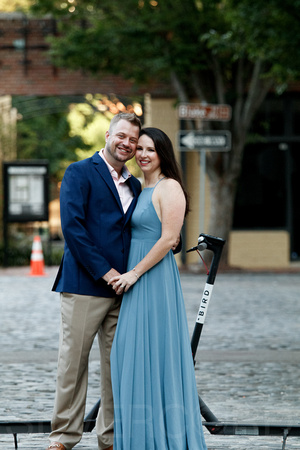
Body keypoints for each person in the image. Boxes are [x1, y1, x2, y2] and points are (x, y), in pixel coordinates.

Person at [46, 112, 142, 450]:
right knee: (74, 363)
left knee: (118, 367)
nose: (127, 144)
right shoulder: (80, 172)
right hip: (85, 285)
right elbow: (72, 229)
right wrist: (107, 272)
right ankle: (63, 437)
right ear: (108, 134)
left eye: (133, 139)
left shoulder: (136, 184)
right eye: (122, 136)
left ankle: (111, 438)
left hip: (123, 290)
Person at [109, 128, 207, 449]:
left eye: (151, 149)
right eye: (140, 148)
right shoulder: (142, 187)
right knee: (129, 351)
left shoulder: (170, 187)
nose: (144, 154)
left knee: (156, 353)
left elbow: (168, 239)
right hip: (136, 278)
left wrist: (134, 273)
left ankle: (164, 437)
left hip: (152, 279)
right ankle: (141, 436)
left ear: (163, 153)